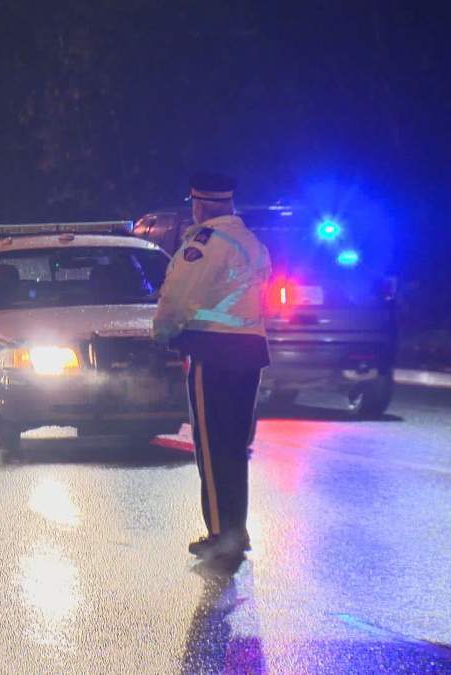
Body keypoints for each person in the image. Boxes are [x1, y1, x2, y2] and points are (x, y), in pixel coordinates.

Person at [153, 172, 272, 564]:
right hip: (249, 354)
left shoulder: (206, 244)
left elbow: (178, 297)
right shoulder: (250, 242)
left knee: (212, 447)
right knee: (235, 446)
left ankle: (221, 536)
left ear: (200, 205)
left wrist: (162, 333)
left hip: (214, 353)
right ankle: (236, 529)